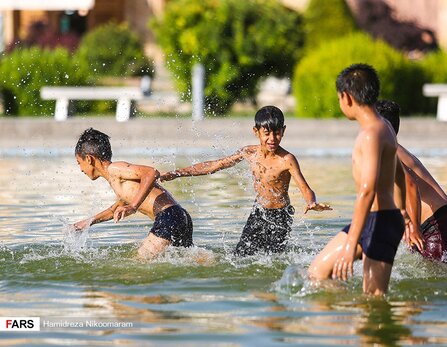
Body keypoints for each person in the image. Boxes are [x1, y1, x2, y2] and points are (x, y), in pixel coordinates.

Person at [160, 105, 331, 256]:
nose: (272, 139)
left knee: (273, 259)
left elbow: (305, 188)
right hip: (258, 212)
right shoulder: (249, 153)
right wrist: (178, 173)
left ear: (283, 131)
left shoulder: (287, 159)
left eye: (277, 133)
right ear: (256, 132)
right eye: (266, 133)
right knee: (240, 256)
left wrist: (312, 202)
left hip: (281, 216)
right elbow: (215, 165)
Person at [308, 64, 408, 296]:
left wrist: (351, 244)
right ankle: (346, 324)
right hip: (376, 220)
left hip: (379, 222)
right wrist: (402, 212)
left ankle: (386, 327)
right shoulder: (384, 126)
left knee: (373, 298)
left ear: (347, 97)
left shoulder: (371, 134)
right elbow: (400, 175)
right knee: (317, 273)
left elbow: (367, 190)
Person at [375, 99, 447, 264]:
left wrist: (415, 227)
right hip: (442, 218)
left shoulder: (387, 150)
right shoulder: (397, 148)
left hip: (434, 224)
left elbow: (411, 186)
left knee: (437, 280)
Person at [73, 128, 193, 260]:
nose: (80, 169)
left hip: (169, 217)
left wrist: (133, 206)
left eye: (79, 163)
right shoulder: (117, 180)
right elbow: (115, 209)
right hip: (179, 216)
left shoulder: (114, 169)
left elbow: (151, 173)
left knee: (139, 264)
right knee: (191, 259)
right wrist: (87, 222)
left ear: (89, 159)